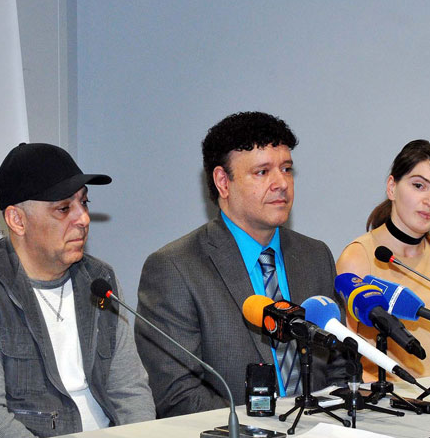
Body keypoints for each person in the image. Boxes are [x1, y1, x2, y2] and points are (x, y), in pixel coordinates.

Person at [0, 143, 154, 438]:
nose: (83, 219)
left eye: (84, 203)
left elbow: (130, 391)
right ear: (17, 220)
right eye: (63, 209)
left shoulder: (99, 280)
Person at [136, 111, 341, 418]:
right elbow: (178, 394)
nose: (281, 183)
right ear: (223, 182)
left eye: (286, 169)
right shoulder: (175, 268)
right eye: (262, 172)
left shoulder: (315, 256)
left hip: (323, 430)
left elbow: (339, 362)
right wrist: (265, 428)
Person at [336, 140, 430, 378]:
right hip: (378, 395)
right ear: (392, 187)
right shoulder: (358, 256)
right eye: (419, 186)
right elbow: (347, 354)